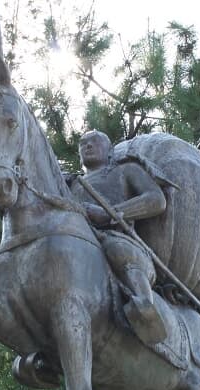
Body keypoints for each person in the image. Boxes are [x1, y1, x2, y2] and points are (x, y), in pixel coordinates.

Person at [72, 130, 168, 345]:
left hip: (118, 237)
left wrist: (111, 213)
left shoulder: (126, 170)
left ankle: (145, 306)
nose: (87, 146)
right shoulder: (71, 184)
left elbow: (156, 200)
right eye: (83, 143)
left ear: (109, 151)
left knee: (118, 250)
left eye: (94, 141)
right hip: (78, 239)